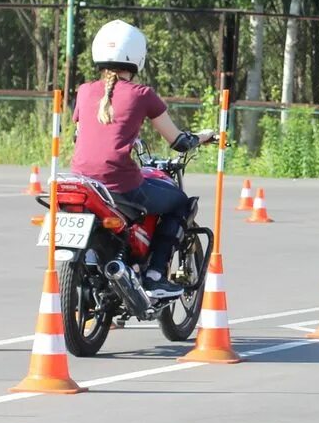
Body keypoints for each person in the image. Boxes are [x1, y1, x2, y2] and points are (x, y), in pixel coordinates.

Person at [70, 20, 212, 298]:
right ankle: (155, 275)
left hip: (82, 183)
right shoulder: (142, 94)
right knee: (180, 204)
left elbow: (81, 135)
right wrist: (203, 136)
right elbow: (179, 142)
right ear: (137, 56)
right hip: (120, 183)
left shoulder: (85, 91)